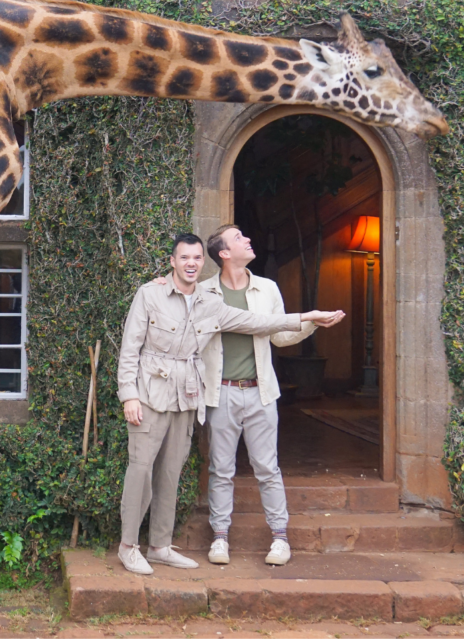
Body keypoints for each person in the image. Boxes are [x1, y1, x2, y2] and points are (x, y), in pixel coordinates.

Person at [117, 233, 345, 575]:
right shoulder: (150, 294)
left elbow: (258, 323)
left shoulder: (211, 303)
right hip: (150, 394)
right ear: (172, 262)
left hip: (186, 398)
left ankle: (160, 546)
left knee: (171, 473)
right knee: (140, 471)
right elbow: (130, 348)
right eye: (184, 258)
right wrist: (129, 395)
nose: (191, 263)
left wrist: (305, 317)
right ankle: (128, 546)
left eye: (196, 258)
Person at [199, 224, 344, 566]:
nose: (248, 239)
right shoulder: (204, 293)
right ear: (223, 253)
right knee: (221, 469)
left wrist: (310, 325)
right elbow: (245, 325)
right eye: (238, 238)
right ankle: (219, 538)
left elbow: (279, 337)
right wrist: (305, 317)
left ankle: (280, 537)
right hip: (220, 394)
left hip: (261, 392)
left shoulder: (267, 288)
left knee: (267, 467)